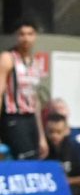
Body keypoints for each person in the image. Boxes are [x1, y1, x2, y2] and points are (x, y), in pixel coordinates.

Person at [0, 22, 47, 160]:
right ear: (16, 36)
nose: (26, 38)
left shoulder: (35, 62)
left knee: (35, 159)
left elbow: (35, 100)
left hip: (31, 118)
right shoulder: (8, 58)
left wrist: (42, 136)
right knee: (25, 159)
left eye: (30, 34)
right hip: (13, 117)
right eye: (22, 34)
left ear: (35, 36)